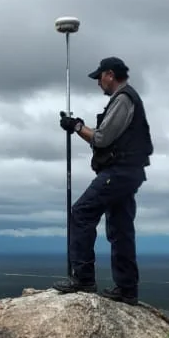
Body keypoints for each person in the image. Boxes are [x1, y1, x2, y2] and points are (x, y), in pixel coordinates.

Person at [54, 56, 153, 305]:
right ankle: (127, 289)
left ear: (110, 74)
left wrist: (77, 126)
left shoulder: (123, 99)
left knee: (81, 212)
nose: (99, 83)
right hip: (129, 172)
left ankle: (84, 278)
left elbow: (102, 138)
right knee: (120, 229)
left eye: (99, 77)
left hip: (119, 172)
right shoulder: (126, 99)